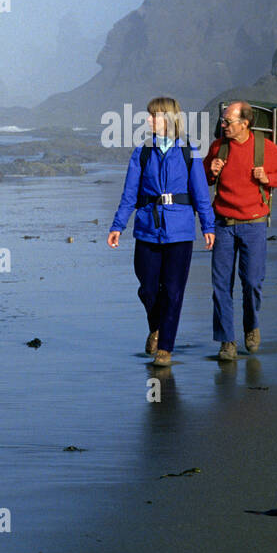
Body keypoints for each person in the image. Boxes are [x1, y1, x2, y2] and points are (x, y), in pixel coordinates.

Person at [108, 97, 215, 366]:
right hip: (146, 228)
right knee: (147, 288)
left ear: (168, 118)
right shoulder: (142, 152)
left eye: (154, 116)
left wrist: (208, 226)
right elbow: (129, 193)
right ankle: (156, 327)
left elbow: (201, 194)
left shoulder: (190, 151)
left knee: (173, 291)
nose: (148, 121)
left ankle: (165, 348)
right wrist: (118, 226)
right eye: (149, 116)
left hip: (180, 231)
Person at [203, 100, 277, 360]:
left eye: (227, 122)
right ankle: (226, 342)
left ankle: (251, 327)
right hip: (223, 224)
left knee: (252, 283)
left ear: (245, 124)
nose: (222, 126)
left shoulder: (264, 148)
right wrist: (209, 171)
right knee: (221, 285)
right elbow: (202, 179)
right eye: (222, 121)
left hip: (254, 225)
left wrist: (269, 178)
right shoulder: (218, 147)